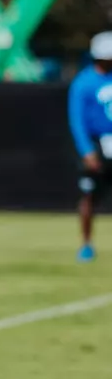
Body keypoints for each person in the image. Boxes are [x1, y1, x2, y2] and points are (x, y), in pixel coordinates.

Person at [68, 31, 112, 262]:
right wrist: (87, 150)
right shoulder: (84, 82)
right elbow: (77, 119)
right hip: (96, 143)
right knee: (89, 196)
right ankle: (86, 243)